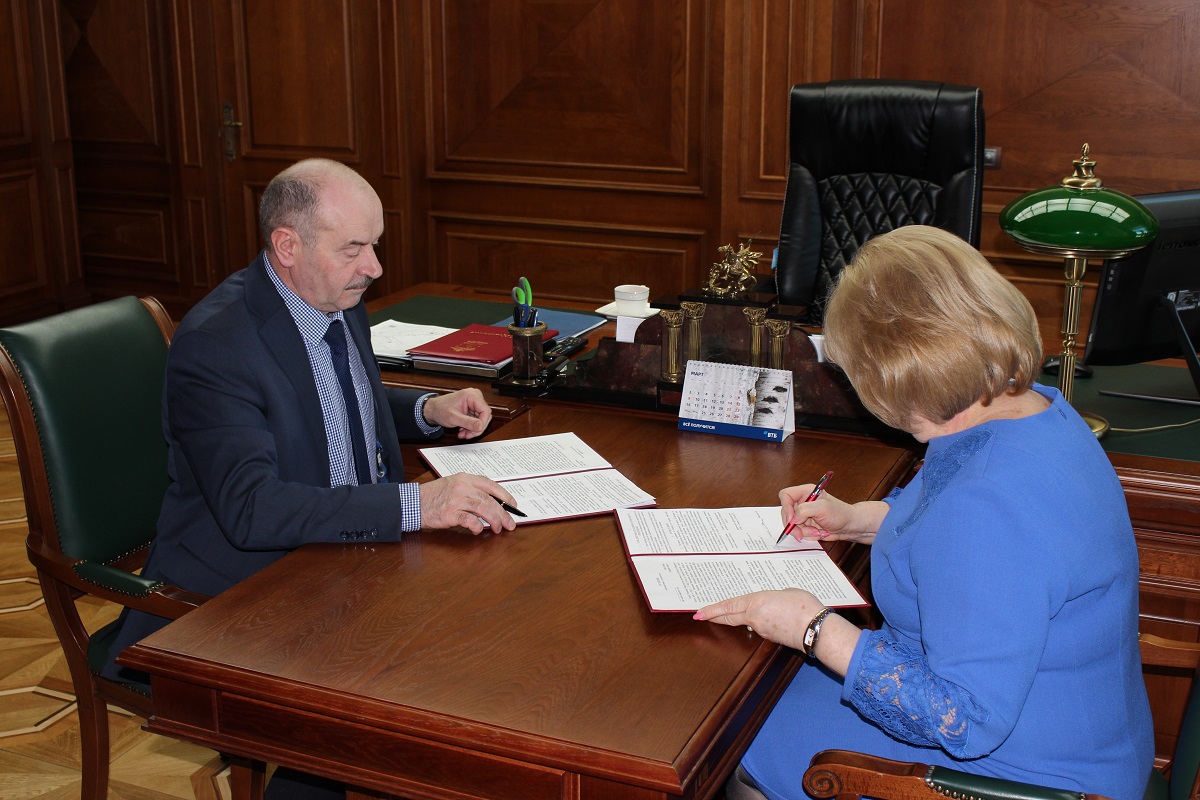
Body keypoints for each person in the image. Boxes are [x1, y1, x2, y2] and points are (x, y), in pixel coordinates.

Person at [102, 158, 518, 798]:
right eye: (355, 248)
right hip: (245, 589)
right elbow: (253, 511)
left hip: (342, 557)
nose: (374, 267)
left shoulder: (330, 293)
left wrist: (424, 410)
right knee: (391, 708)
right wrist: (415, 503)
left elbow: (338, 399)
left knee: (484, 644)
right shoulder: (218, 344)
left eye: (375, 245)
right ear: (287, 246)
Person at [695, 225, 1153, 800]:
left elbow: (961, 718)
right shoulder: (1032, 411)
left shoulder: (988, 505)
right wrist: (857, 518)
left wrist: (814, 629)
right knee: (749, 693)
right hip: (1078, 734)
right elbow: (966, 531)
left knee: (725, 736)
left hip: (1025, 778)